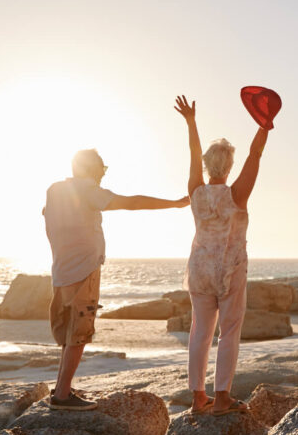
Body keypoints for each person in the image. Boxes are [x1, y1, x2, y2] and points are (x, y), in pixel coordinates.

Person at [43, 149, 189, 411]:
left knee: (68, 332)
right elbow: (131, 203)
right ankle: (62, 396)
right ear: (90, 168)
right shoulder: (88, 191)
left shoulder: (55, 190)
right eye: (101, 168)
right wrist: (175, 203)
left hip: (61, 268)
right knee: (79, 332)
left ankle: (61, 387)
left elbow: (48, 218)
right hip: (83, 270)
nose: (103, 173)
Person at [175, 95, 270, 416]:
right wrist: (264, 126)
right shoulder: (237, 193)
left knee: (200, 332)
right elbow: (255, 154)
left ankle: (198, 398)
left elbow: (190, 153)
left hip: (199, 269)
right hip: (229, 270)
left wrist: (191, 122)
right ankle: (223, 397)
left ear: (206, 165)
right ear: (229, 166)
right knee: (229, 331)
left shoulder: (195, 191)